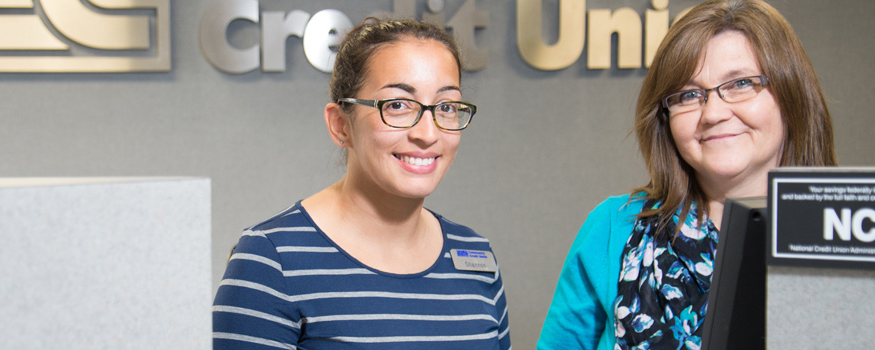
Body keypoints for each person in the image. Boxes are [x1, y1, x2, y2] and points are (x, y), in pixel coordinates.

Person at [537, 0, 837, 349]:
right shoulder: (611, 227)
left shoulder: (848, 235)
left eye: (740, 83)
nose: (713, 113)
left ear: (791, 94)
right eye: (688, 95)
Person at [213, 18, 510, 349]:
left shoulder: (476, 257)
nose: (428, 133)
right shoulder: (271, 259)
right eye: (397, 105)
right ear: (340, 124)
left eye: (446, 107)